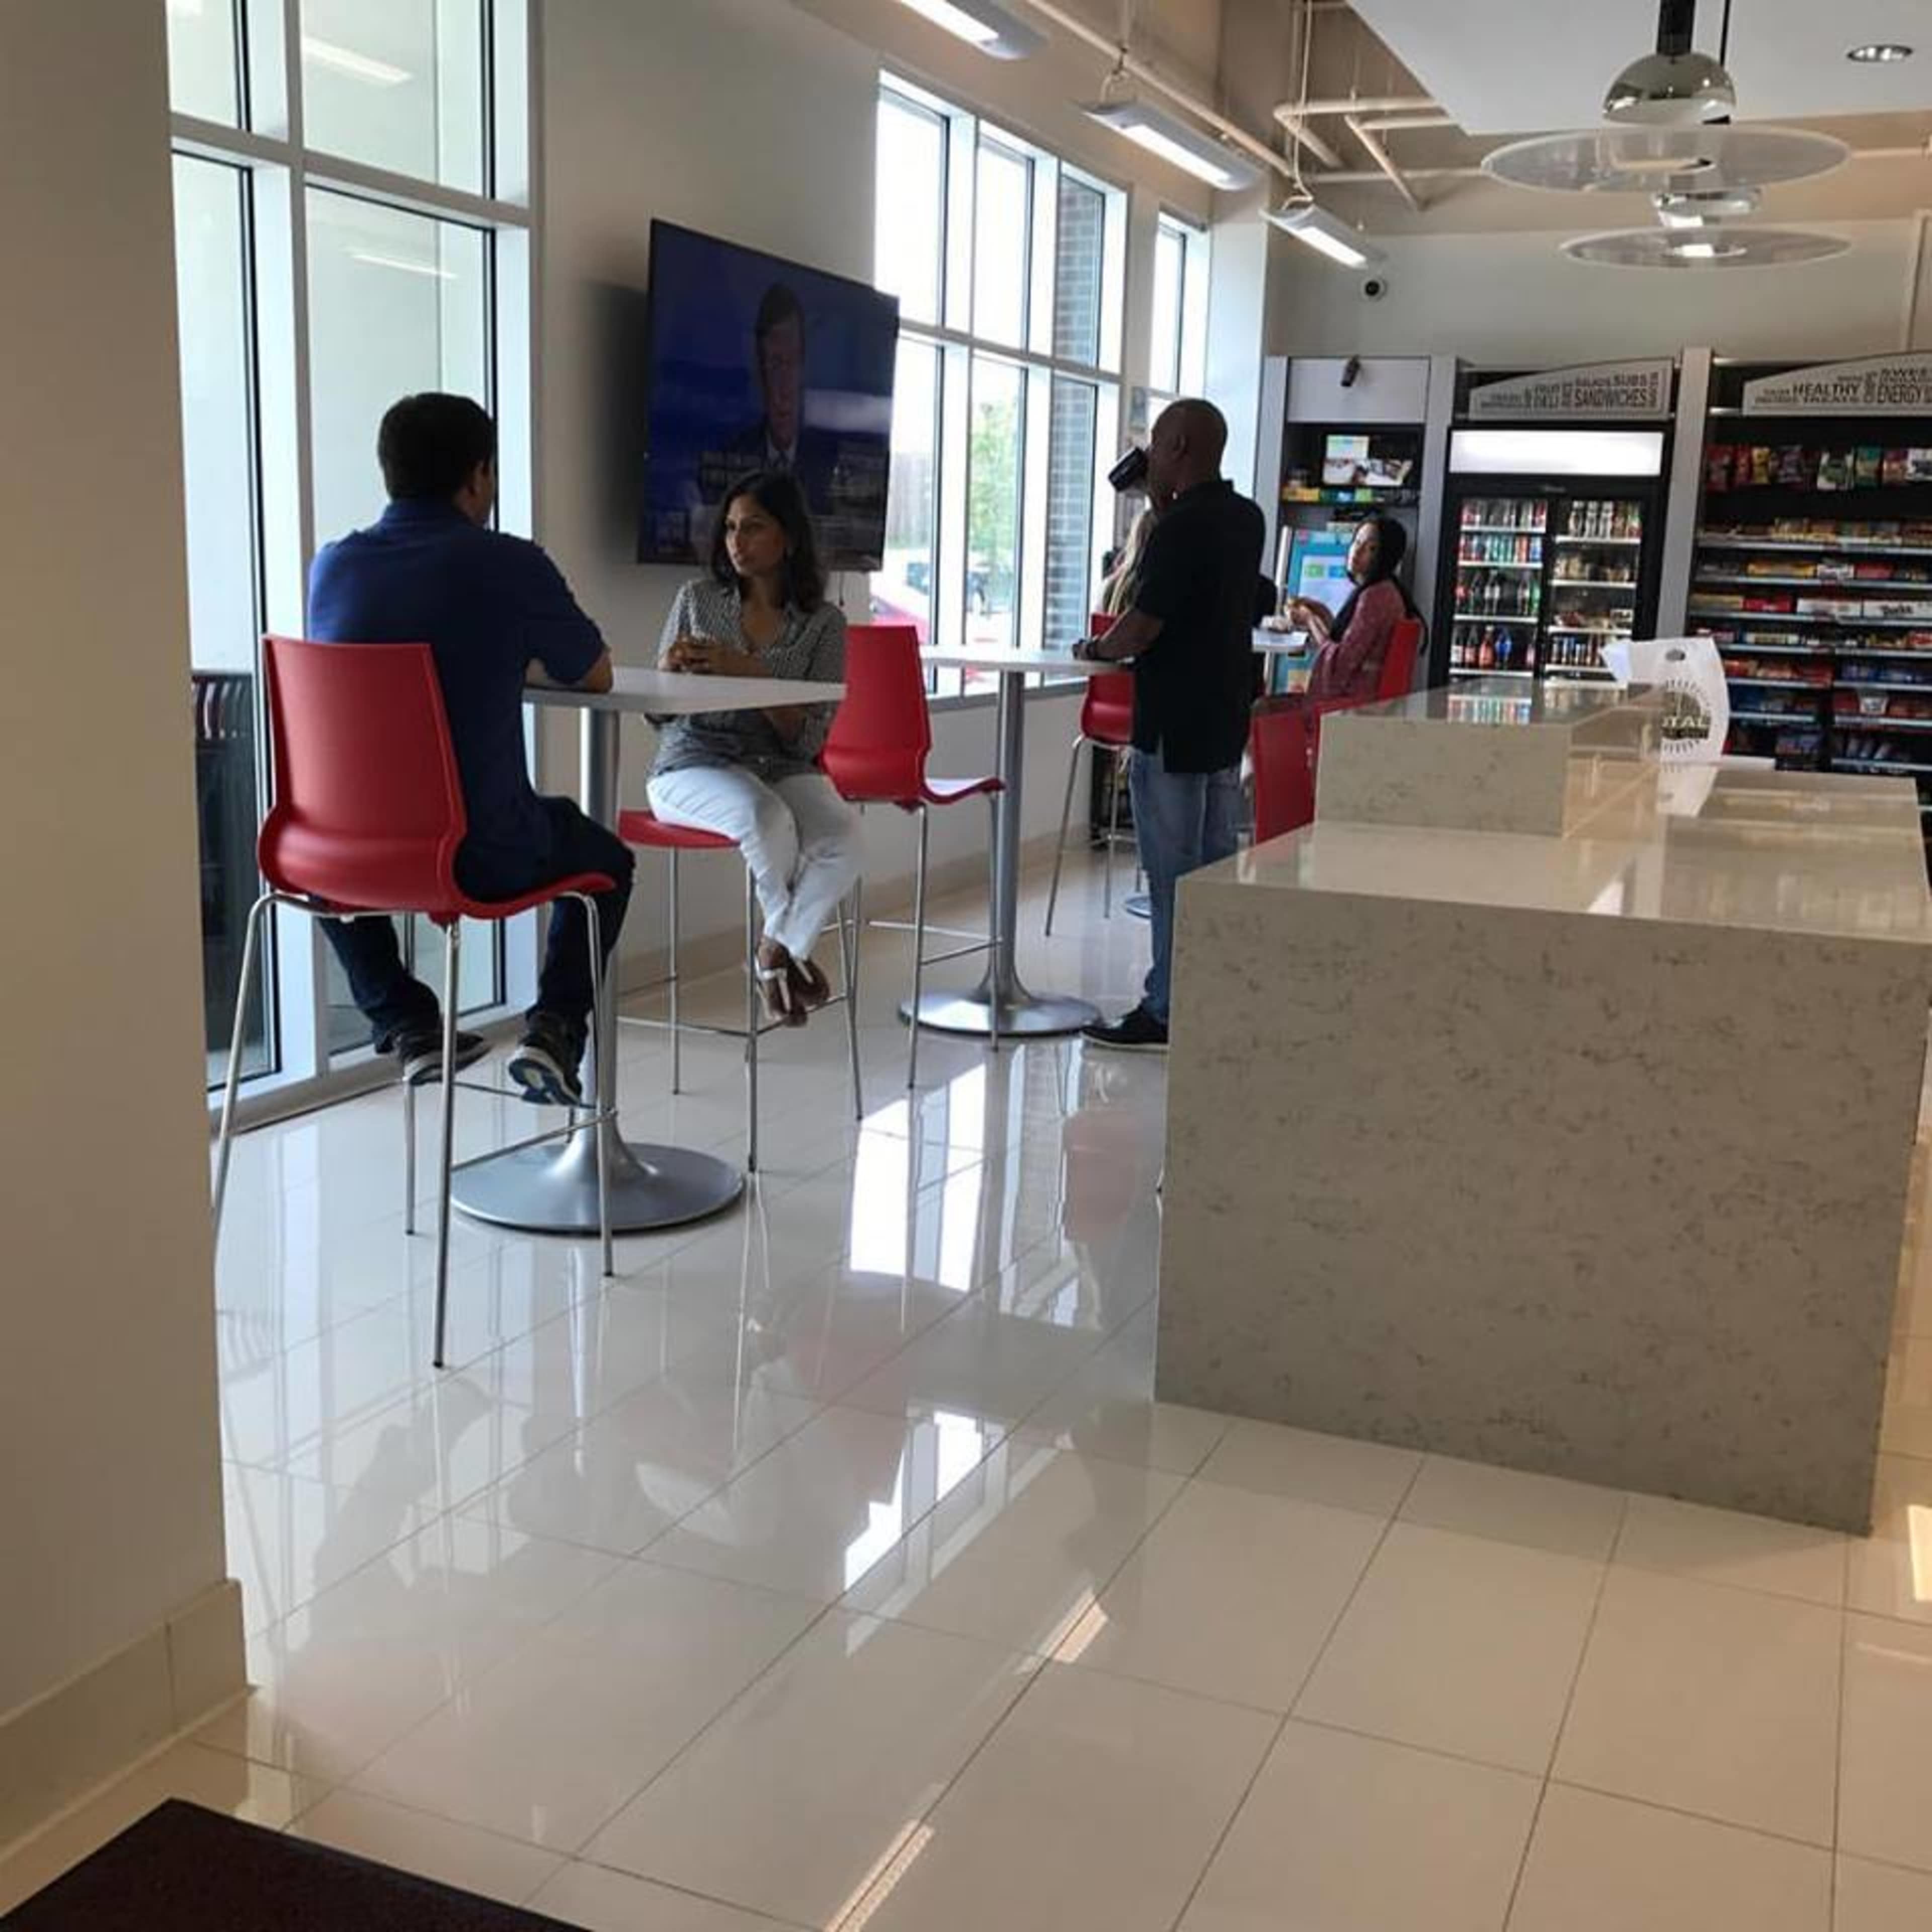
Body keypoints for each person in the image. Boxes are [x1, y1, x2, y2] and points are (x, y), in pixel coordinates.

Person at [307, 392, 633, 1107]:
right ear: (480, 476)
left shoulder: (331, 568)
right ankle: (552, 1033)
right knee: (605, 858)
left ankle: (407, 1022)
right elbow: (597, 673)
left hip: (343, 854)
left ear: (388, 472)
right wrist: (512, 654)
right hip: (478, 854)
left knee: (321, 857)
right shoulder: (508, 565)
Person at [1071, 398, 1265, 1053]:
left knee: (1171, 872)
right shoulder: (1246, 518)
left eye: (1156, 442)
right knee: (1213, 869)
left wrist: (1097, 650)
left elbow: (1144, 625)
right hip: (1223, 718)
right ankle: (1207, 994)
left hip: (1173, 724)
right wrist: (1160, 508)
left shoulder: (1181, 528)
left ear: (1179, 444)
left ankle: (1165, 1008)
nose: (1149, 454)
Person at [647, 469, 859, 1024]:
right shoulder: (696, 599)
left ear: (788, 539)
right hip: (692, 762)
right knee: (766, 817)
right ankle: (786, 956)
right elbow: (658, 717)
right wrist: (666, 677)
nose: (737, 542)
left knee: (843, 834)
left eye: (754, 528)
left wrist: (752, 675)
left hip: (782, 760)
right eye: (731, 529)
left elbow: (811, 737)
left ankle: (774, 948)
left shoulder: (824, 625)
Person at [713, 284, 840, 509]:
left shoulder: (831, 462)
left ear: (805, 368)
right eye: (775, 364)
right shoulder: (733, 457)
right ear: (760, 373)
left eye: (792, 362)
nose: (785, 385)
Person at [1289, 513, 1421, 703]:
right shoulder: (1388, 591)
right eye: (1357, 542)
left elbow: (1339, 667)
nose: (1357, 551)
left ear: (1386, 557)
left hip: (1351, 708)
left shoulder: (1374, 598)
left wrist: (1310, 620)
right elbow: (1353, 646)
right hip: (1369, 704)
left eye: (1372, 548)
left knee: (1263, 708)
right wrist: (1322, 613)